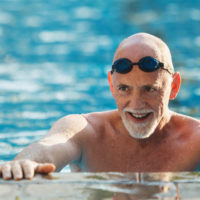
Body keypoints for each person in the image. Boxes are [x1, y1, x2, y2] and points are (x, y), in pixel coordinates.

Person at [1, 32, 200, 180]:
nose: (136, 104)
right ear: (111, 86)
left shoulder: (195, 141)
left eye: (150, 89)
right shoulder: (85, 131)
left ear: (174, 87)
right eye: (124, 88)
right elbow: (49, 147)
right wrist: (25, 162)